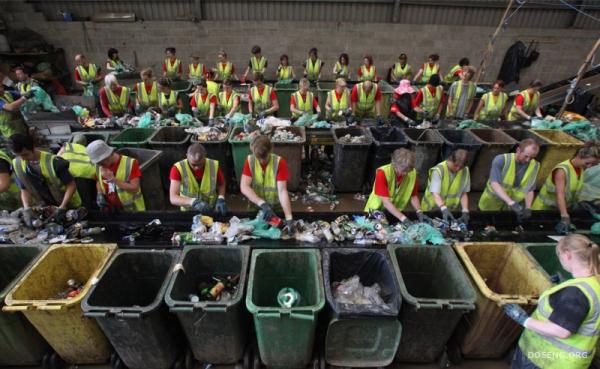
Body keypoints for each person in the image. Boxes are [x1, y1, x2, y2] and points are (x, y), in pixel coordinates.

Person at [504, 234, 600, 369]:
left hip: (550, 361)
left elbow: (562, 331)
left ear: (567, 254)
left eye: (559, 254)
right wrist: (563, 286)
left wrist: (523, 319)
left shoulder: (576, 293)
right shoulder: (594, 281)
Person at [10, 134, 81, 225]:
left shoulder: (54, 162)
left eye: (25, 154)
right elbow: (24, 188)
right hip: (45, 207)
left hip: (69, 205)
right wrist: (27, 208)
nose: (23, 159)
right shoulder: (17, 164)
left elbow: (71, 185)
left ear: (33, 148)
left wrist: (62, 207)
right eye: (18, 156)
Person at [533, 142, 600, 234]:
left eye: (593, 164)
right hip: (543, 211)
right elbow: (560, 195)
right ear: (580, 155)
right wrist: (565, 216)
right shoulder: (562, 170)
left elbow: (574, 190)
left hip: (558, 211)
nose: (589, 166)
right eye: (588, 163)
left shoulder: (580, 169)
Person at [240, 135, 294, 231]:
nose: (261, 161)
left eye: (264, 157)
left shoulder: (279, 163)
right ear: (252, 151)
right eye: (258, 157)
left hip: (275, 211)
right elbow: (244, 186)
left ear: (270, 151)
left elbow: (282, 191)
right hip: (256, 208)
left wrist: (289, 217)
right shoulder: (250, 161)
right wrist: (262, 203)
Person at [364, 148, 431, 224]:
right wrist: (404, 219)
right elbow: (386, 202)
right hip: (375, 212)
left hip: (394, 212)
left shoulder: (412, 174)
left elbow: (414, 196)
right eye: (403, 171)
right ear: (394, 165)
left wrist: (420, 212)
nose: (405, 173)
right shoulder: (383, 173)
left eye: (408, 170)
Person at [478, 139, 540, 221]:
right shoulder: (501, 160)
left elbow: (530, 188)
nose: (528, 160)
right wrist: (511, 202)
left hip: (510, 210)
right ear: (518, 150)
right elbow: (494, 183)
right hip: (490, 205)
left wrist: (528, 207)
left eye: (532, 158)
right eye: (526, 156)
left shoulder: (535, 165)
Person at [87, 140, 145, 212]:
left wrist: (113, 180)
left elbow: (134, 188)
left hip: (131, 210)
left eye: (102, 162)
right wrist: (100, 193)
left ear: (110, 155)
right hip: (111, 209)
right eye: (98, 163)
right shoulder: (98, 165)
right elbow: (98, 180)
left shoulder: (130, 163)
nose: (100, 165)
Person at [169, 143, 227, 214]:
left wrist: (221, 198)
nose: (197, 168)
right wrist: (192, 202)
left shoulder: (213, 165)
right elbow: (173, 198)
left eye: (200, 164)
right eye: (193, 165)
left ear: (205, 156)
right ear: (187, 156)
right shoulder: (178, 169)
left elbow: (221, 183)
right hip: (189, 211)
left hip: (210, 209)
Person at [421, 149, 471, 225]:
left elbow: (463, 193)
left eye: (461, 167)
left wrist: (465, 210)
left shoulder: (465, 171)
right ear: (451, 160)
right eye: (456, 165)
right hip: (430, 210)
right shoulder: (439, 170)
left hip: (449, 212)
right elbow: (435, 194)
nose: (458, 169)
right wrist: (444, 208)